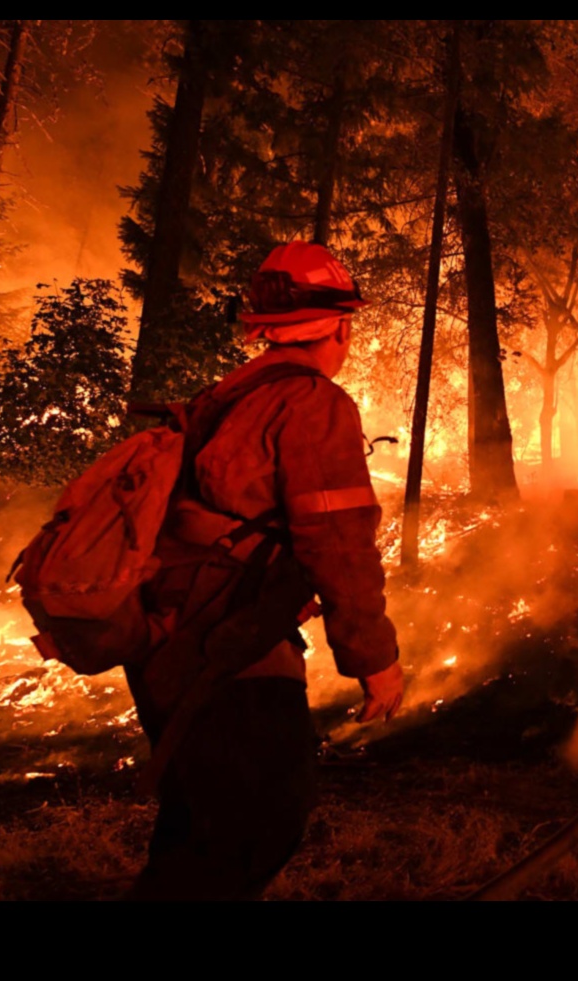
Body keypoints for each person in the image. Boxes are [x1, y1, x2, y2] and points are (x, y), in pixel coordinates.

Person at [125, 241, 404, 899]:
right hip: (228, 651)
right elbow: (339, 541)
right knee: (259, 823)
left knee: (200, 829)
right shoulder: (313, 403)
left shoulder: (229, 393)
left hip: (169, 641)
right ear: (337, 325)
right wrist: (374, 657)